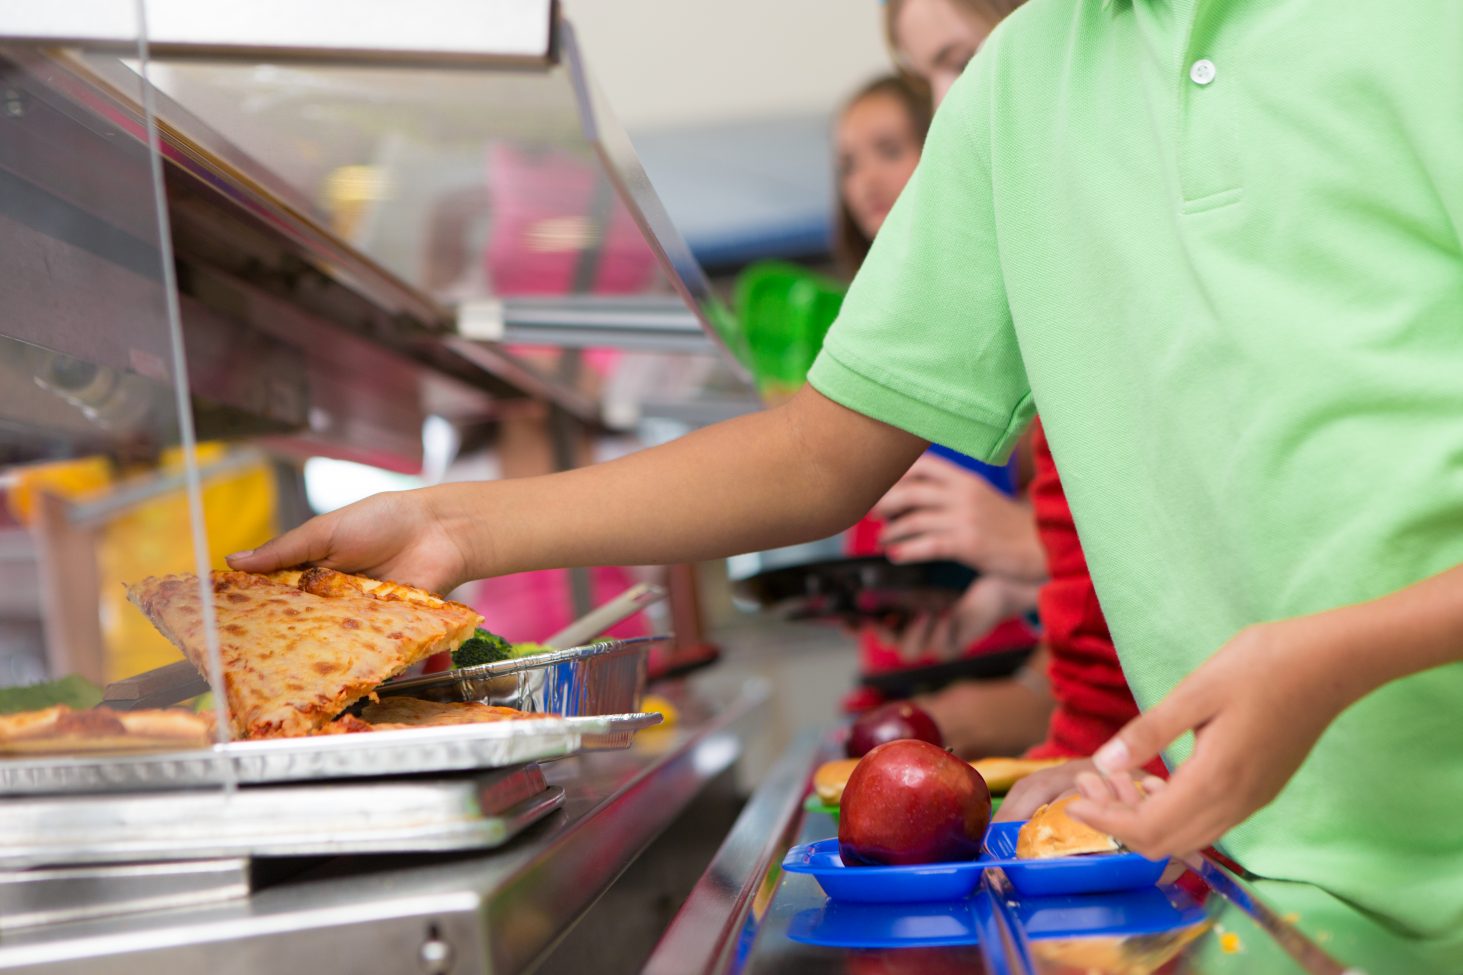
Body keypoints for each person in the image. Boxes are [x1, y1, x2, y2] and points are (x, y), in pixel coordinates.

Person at [232, 0, 1463, 952]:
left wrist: (1335, 652)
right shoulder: (1016, 90)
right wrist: (449, 525)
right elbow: (821, 450)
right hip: (1255, 889)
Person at [830, 74, 1043, 725]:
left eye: (888, 149)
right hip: (915, 659)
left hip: (1015, 661)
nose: (864, 178)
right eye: (847, 163)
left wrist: (1019, 560)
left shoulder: (1019, 305)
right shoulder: (859, 328)